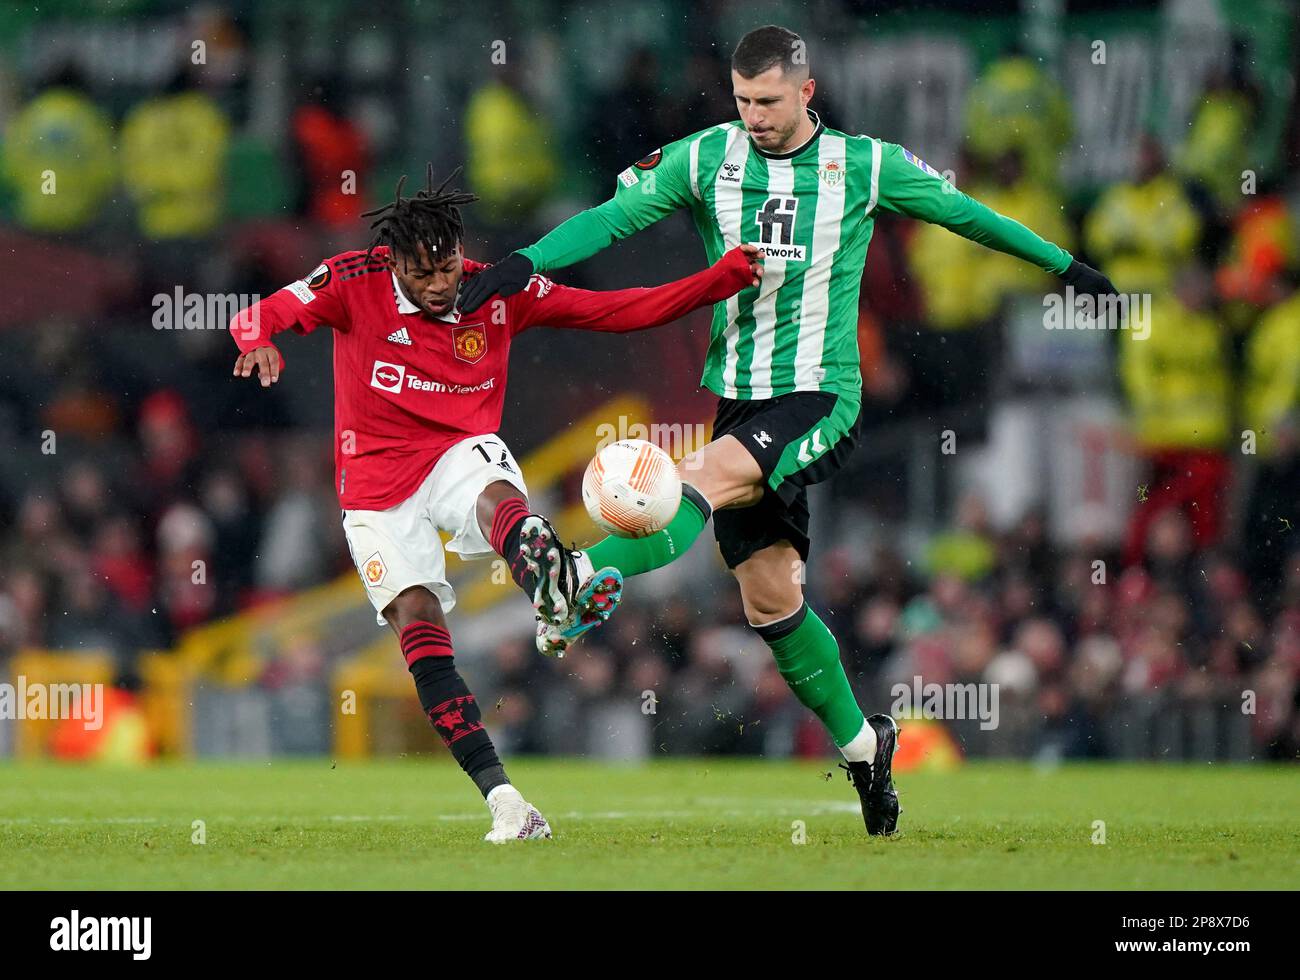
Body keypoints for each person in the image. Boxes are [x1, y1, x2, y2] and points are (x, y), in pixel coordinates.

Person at [459, 25, 1117, 837]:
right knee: (771, 601)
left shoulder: (864, 165)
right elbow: (612, 219)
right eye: (742, 101)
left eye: (768, 100)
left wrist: (1064, 266)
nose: (754, 115)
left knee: (691, 479)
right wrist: (524, 264)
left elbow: (963, 214)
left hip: (817, 397)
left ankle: (577, 576)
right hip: (737, 397)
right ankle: (865, 744)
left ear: (806, 92)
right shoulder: (707, 158)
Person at [227, 167, 761, 842]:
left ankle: (551, 587)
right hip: (373, 493)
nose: (440, 285)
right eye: (422, 275)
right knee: (420, 634)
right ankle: (507, 801)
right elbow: (261, 313)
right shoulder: (352, 281)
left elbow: (616, 311)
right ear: (394, 264)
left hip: (456, 453)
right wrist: (256, 343)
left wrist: (719, 280)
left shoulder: (494, 291)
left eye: (446, 267)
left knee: (490, 484)